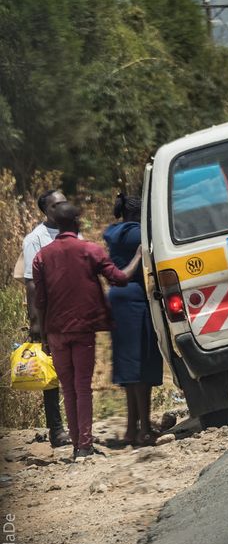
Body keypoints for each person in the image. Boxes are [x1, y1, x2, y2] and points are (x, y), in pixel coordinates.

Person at [32, 203, 142, 459]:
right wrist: (138, 255)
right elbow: (120, 278)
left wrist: (44, 334)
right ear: (77, 223)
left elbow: (40, 300)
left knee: (68, 389)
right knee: (83, 387)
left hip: (56, 332)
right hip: (83, 330)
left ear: (57, 225)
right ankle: (85, 445)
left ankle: (76, 445)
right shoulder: (90, 250)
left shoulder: (42, 257)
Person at [104, 195, 163, 447]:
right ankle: (144, 430)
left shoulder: (113, 232)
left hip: (118, 300)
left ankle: (131, 429)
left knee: (130, 368)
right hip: (136, 299)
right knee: (142, 364)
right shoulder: (138, 234)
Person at [21, 190, 71, 448]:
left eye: (65, 201)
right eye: (58, 204)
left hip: (73, 311)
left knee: (73, 369)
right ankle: (57, 429)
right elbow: (31, 283)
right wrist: (35, 322)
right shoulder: (35, 239)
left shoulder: (72, 230)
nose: (64, 206)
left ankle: (77, 424)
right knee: (50, 374)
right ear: (47, 211)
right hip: (50, 313)